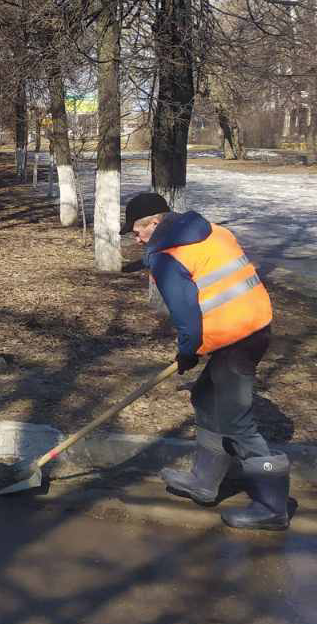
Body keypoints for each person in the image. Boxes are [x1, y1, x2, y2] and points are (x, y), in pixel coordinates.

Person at [122, 192, 289, 531]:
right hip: (254, 326)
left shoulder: (168, 257)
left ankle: (273, 506)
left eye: (137, 232)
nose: (136, 239)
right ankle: (204, 480)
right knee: (204, 397)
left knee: (237, 424)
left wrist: (187, 351)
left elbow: (187, 318)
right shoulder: (211, 230)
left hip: (235, 340)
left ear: (155, 223)